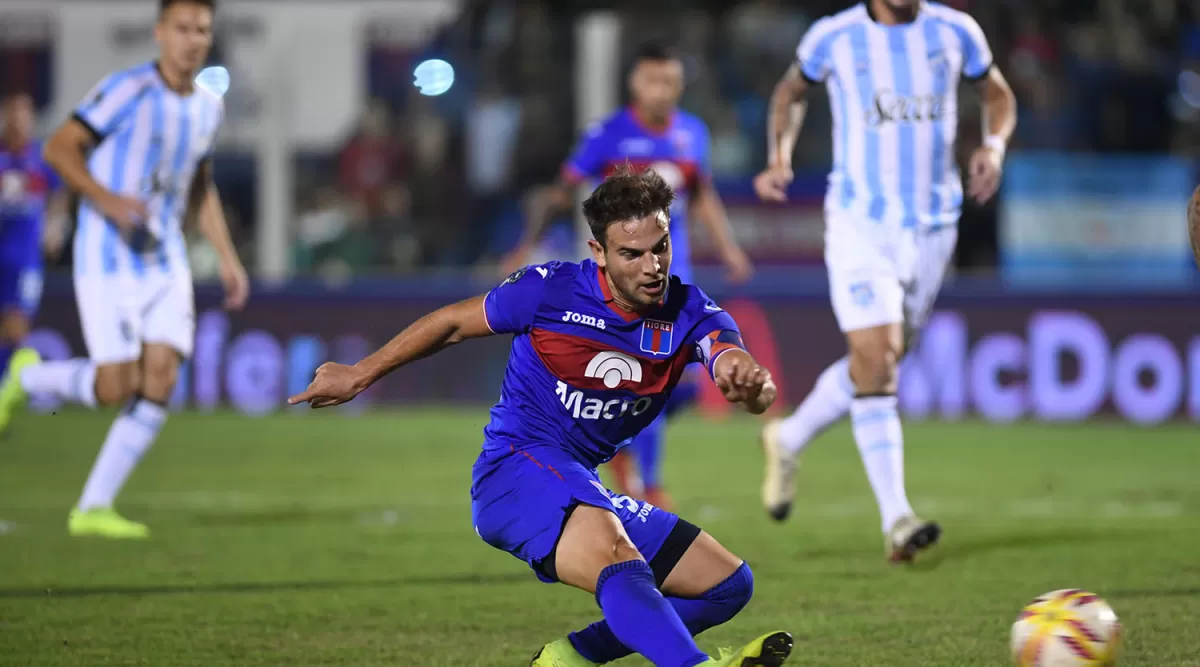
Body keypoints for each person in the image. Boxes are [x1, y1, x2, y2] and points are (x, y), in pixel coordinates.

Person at [291, 168, 793, 667]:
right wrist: (360, 373)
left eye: (660, 247)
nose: (652, 267)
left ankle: (569, 658)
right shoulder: (549, 290)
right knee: (621, 561)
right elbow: (449, 325)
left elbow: (736, 366)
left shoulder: (691, 313)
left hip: (579, 483)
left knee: (725, 586)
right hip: (514, 473)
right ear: (598, 252)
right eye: (631, 253)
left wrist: (751, 383)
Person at [754, 0, 1016, 562]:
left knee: (881, 363)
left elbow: (997, 94)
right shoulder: (834, 37)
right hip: (860, 223)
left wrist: (993, 147)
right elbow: (789, 93)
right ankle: (897, 518)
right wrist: (780, 156)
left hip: (934, 227)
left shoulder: (956, 31)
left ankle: (790, 436)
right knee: (878, 353)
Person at [16, 0, 249, 538]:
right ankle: (25, 378)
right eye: (183, 28)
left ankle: (93, 508)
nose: (193, 39)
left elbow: (199, 186)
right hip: (106, 256)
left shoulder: (208, 107)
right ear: (160, 33)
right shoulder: (128, 89)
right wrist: (106, 199)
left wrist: (229, 258)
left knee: (162, 374)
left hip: (164, 257)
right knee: (116, 385)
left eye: (203, 30)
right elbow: (59, 148)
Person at [500, 42, 755, 511]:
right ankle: (647, 481)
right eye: (654, 81)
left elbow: (702, 196)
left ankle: (619, 448)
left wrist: (729, 249)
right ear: (636, 84)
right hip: (619, 283)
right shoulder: (608, 134)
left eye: (672, 82)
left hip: (675, 276)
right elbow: (562, 191)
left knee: (685, 386)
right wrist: (524, 244)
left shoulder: (692, 134)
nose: (663, 91)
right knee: (649, 374)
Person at [0, 91, 67, 433]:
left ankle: (3, 403)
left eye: (25, 114)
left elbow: (61, 194)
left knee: (15, 328)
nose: (20, 121)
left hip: (24, 261)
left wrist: (55, 227)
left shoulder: (41, 158)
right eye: (14, 114)